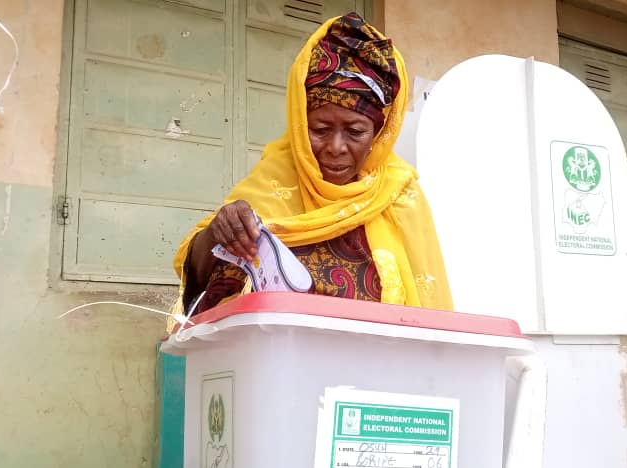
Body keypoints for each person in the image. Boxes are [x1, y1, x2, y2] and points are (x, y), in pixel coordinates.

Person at [169, 13, 453, 320]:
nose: (335, 147)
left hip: (381, 364)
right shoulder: (274, 182)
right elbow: (199, 275)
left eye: (355, 132)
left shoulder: (401, 196)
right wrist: (218, 232)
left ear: (379, 133)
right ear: (301, 123)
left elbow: (432, 312)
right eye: (320, 129)